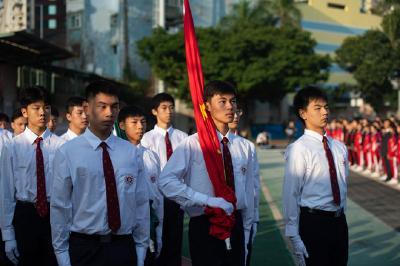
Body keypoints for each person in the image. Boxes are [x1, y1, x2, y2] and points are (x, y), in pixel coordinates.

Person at [50, 81, 150, 266]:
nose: (109, 113)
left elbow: (141, 203)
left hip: (123, 246)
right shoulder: (68, 152)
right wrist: (62, 255)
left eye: (114, 107)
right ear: (87, 108)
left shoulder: (131, 153)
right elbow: (60, 206)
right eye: (102, 106)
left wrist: (141, 250)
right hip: (84, 247)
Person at [158, 80, 255, 266]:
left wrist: (248, 230)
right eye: (222, 102)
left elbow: (249, 191)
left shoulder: (244, 147)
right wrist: (204, 199)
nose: (230, 107)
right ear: (207, 106)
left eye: (233, 101)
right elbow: (166, 181)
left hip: (236, 223)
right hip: (205, 224)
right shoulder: (193, 144)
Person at [282, 86, 348, 266]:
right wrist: (293, 235)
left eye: (326, 107)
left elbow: (342, 185)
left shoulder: (339, 147)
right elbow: (291, 193)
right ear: (303, 113)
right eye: (317, 108)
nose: (325, 112)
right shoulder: (299, 149)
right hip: (313, 223)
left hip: (339, 221)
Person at [0, 86, 65, 266]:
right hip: (25, 214)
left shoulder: (62, 146)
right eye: (36, 108)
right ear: (24, 112)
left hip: (54, 214)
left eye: (46, 108)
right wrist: (8, 235)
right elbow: (6, 192)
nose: (42, 113)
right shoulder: (12, 147)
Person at [141, 93, 188, 266]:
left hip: (176, 198)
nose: (169, 112)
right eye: (164, 108)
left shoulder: (183, 138)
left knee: (175, 243)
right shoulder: (146, 139)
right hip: (155, 197)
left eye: (171, 107)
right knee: (155, 242)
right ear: (154, 111)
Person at [118, 105, 164, 265]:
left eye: (143, 122)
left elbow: (158, 195)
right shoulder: (115, 156)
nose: (140, 127)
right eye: (134, 122)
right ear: (122, 125)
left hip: (149, 220)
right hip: (123, 223)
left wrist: (158, 231)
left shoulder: (151, 156)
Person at [228, 108, 260, 266]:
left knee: (242, 258)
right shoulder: (204, 144)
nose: (235, 115)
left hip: (241, 214)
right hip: (214, 216)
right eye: (232, 111)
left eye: (238, 111)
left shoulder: (247, 146)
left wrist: (255, 217)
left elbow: (254, 185)